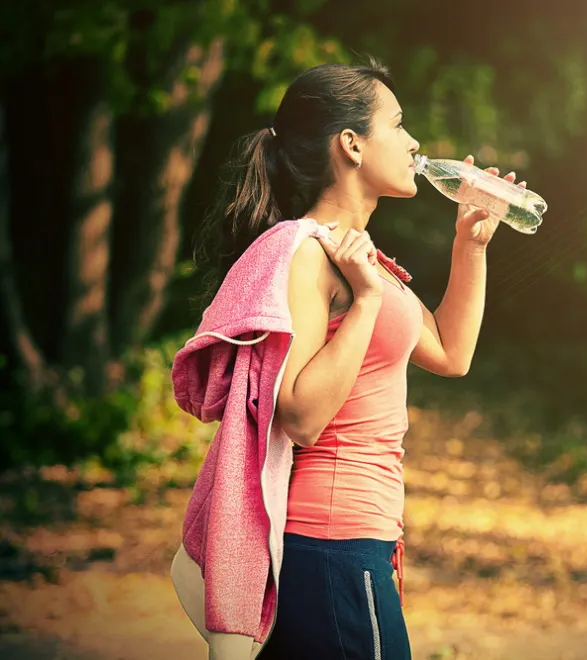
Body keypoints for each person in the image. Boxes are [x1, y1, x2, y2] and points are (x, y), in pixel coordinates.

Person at [182, 56, 525, 660]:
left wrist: (469, 244)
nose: (414, 142)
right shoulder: (309, 253)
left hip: (360, 543)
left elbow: (450, 353)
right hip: (329, 542)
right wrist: (365, 302)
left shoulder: (363, 260)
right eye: (397, 124)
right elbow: (302, 416)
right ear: (351, 145)